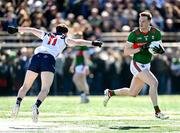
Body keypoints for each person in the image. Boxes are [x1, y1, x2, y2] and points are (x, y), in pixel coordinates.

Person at [8, 24, 103, 122]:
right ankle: (36, 106)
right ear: (65, 32)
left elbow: (32, 29)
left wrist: (16, 29)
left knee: (25, 86)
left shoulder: (47, 34)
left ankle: (17, 103)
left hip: (36, 57)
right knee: (45, 89)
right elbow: (77, 42)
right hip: (48, 59)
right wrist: (93, 43)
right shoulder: (64, 38)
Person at [103, 11, 169, 120]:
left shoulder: (156, 32)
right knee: (154, 83)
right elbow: (126, 51)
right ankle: (157, 111)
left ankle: (110, 93)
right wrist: (140, 48)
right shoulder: (134, 34)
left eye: (143, 21)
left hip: (147, 65)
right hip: (137, 64)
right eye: (139, 21)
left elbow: (159, 48)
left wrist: (160, 51)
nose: (141, 23)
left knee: (132, 92)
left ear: (149, 22)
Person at [70, 33, 91, 103]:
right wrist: (72, 66)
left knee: (75, 79)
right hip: (78, 65)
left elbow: (86, 57)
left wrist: (87, 66)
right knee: (83, 81)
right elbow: (75, 57)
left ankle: (83, 94)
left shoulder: (83, 45)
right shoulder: (76, 46)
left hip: (82, 65)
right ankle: (86, 96)